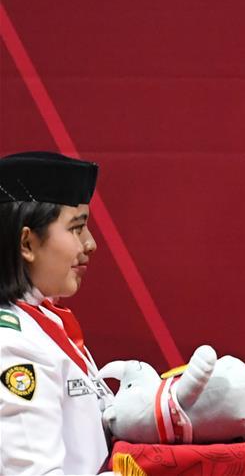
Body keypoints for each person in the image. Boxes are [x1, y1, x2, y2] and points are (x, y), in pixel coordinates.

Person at [0, 151, 113, 474]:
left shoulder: (45, 322)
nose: (90, 244)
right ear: (27, 243)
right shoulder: (12, 346)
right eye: (77, 228)